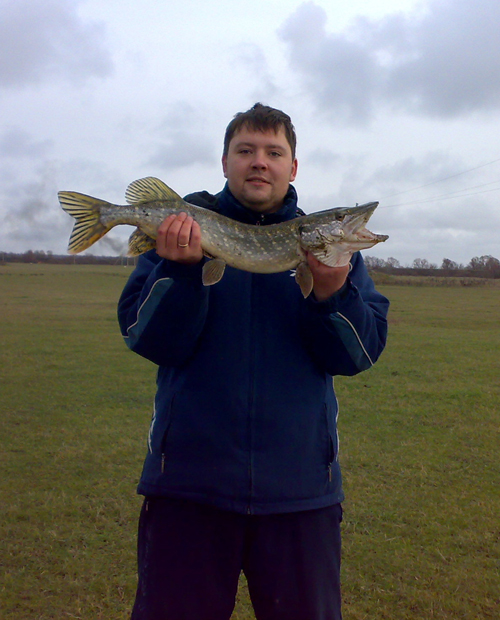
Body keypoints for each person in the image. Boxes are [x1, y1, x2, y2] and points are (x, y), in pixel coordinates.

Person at [118, 103, 389, 620]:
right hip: (188, 490)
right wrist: (181, 273)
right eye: (245, 150)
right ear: (225, 162)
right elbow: (148, 339)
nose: (259, 161)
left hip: (300, 495)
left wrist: (331, 293)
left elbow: (358, 354)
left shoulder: (335, 258)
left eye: (274, 152)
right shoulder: (182, 229)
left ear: (293, 167)